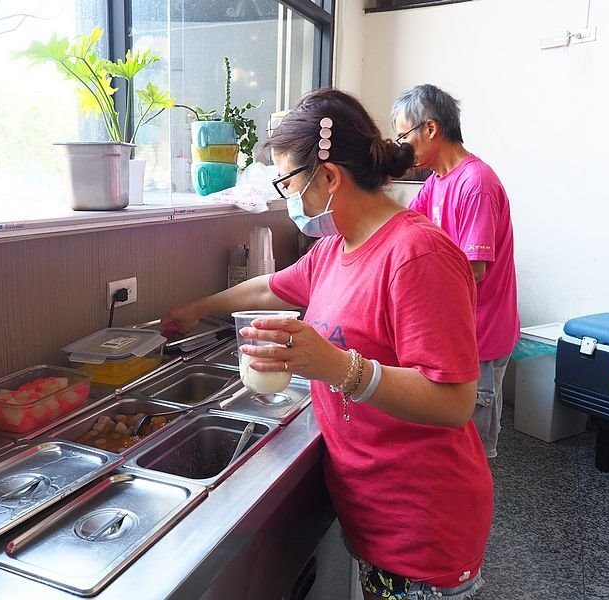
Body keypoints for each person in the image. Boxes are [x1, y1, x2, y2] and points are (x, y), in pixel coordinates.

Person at [163, 88, 493, 600]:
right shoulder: (336, 248)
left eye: (288, 182)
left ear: (330, 178)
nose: (288, 197)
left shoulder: (418, 255)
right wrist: (197, 307)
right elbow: (273, 286)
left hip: (422, 527)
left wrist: (338, 366)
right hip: (374, 513)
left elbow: (453, 401)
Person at [391, 84, 520, 466]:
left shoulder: (475, 183)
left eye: (403, 135)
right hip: (454, 328)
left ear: (430, 129)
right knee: (448, 442)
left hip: (480, 332)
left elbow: (473, 270)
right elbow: (404, 226)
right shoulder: (436, 181)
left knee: (472, 449)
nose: (402, 146)